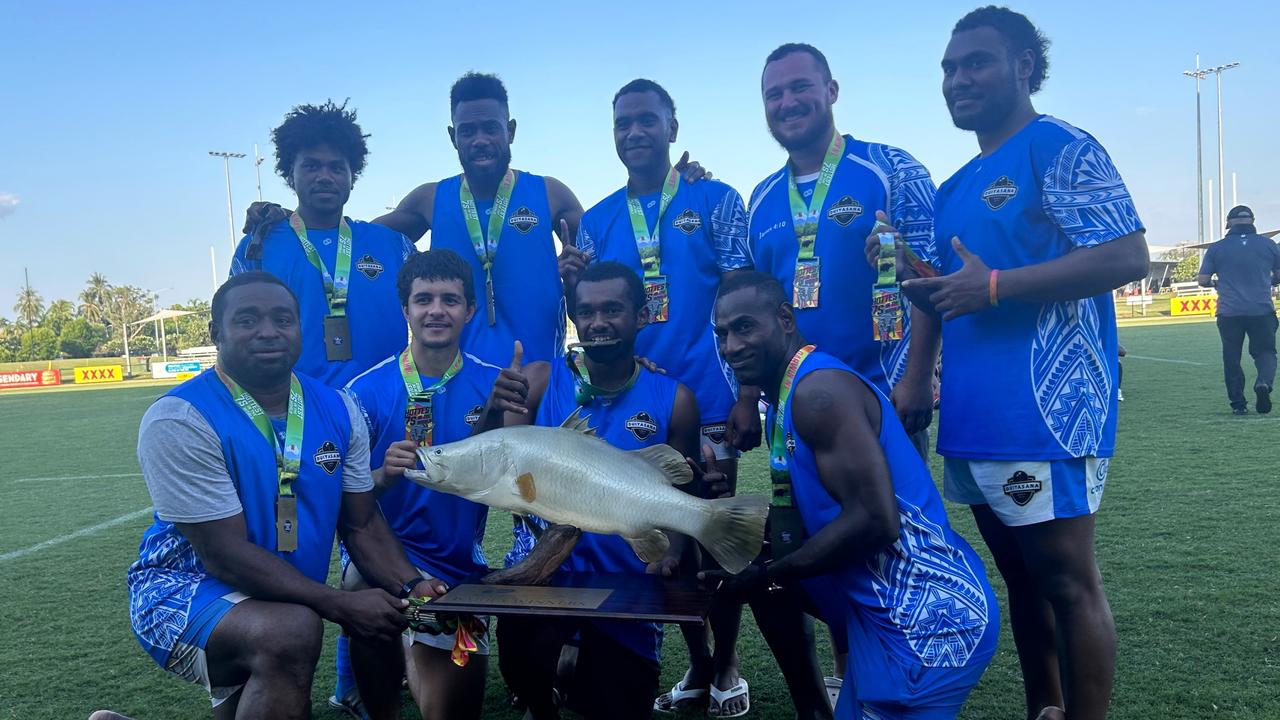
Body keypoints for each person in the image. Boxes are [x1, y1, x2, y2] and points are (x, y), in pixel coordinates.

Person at [891, 8, 1149, 720]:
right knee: (1022, 581)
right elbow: (948, 292)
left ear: (1025, 67)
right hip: (975, 417)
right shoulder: (953, 188)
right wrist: (915, 367)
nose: (958, 79)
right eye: (949, 67)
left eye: (976, 62)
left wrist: (997, 286)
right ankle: (1045, 708)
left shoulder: (1059, 146)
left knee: (1067, 583)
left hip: (1049, 413)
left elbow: (1128, 255)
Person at [126, 272, 433, 719]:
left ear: (299, 328)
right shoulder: (180, 417)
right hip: (180, 592)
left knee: (322, 617)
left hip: (275, 597)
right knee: (291, 632)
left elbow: (361, 523)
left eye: (282, 319)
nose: (268, 331)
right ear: (217, 333)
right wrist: (339, 604)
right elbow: (224, 555)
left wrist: (413, 585)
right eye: (248, 320)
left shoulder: (339, 408)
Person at [704, 271, 998, 719]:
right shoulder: (787, 396)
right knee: (759, 555)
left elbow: (875, 520)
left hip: (927, 622)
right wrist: (723, 510)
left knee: (767, 571)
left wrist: (768, 575)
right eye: (722, 334)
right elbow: (801, 524)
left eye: (744, 327)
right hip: (884, 620)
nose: (731, 346)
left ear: (785, 318)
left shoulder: (818, 393)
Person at [746, 41, 941, 712]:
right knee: (817, 545)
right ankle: (845, 677)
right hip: (795, 418)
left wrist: (918, 379)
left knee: (888, 545)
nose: (788, 102)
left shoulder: (890, 170)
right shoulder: (762, 197)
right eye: (774, 94)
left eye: (800, 88)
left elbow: (932, 279)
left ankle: (906, 679)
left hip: (884, 403)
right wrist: (751, 397)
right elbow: (752, 314)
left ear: (831, 90)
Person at [560, 77, 755, 717]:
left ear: (673, 126)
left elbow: (745, 295)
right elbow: (592, 309)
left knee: (713, 540)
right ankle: (696, 667)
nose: (635, 132)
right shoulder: (598, 218)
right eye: (623, 123)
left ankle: (724, 665)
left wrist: (749, 391)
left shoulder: (716, 199)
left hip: (711, 402)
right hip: (635, 413)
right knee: (661, 548)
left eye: (647, 120)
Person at [374, 73, 709, 368]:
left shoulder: (549, 194)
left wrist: (668, 190)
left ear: (511, 130)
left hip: (539, 381)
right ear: (452, 137)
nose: (480, 140)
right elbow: (360, 240)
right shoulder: (431, 199)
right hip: (460, 383)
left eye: (491, 128)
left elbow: (618, 243)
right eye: (468, 131)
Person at [496, 261, 704, 720]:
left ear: (641, 316)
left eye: (613, 309)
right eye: (586, 311)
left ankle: (572, 672)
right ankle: (546, 686)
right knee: (525, 668)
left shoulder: (674, 399)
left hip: (626, 587)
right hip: (544, 578)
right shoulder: (540, 381)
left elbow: (686, 496)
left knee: (617, 705)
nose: (598, 322)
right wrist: (497, 407)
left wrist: (672, 553)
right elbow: (499, 458)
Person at [341, 249, 533, 720]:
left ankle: (418, 655)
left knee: (451, 713)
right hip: (383, 558)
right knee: (361, 585)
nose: (436, 310)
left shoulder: (495, 387)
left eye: (450, 299)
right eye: (423, 299)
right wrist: (383, 475)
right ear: (404, 309)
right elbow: (346, 505)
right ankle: (381, 703)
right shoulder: (362, 393)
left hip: (456, 568)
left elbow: (506, 478)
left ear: (470, 310)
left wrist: (495, 420)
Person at [230, 100, 416, 388]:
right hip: (298, 411)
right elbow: (238, 330)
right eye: (312, 166)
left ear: (352, 177)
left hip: (386, 407)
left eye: (336, 168)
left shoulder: (394, 246)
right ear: (290, 175)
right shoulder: (258, 247)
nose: (325, 177)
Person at [1196, 205, 1280, 415]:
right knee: (1266, 352)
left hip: (1229, 312)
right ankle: (1263, 383)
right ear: (1252, 221)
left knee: (1231, 358)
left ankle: (1238, 405)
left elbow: (1203, 280)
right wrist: (1268, 280)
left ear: (1229, 223)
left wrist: (1217, 284)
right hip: (1261, 309)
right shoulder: (1269, 245)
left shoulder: (1217, 248)